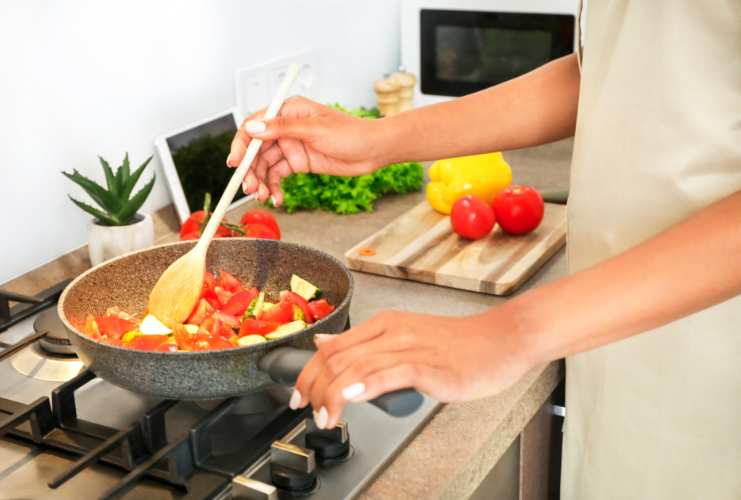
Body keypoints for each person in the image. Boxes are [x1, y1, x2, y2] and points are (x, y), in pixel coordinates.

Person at [228, 0, 741, 497]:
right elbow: (613, 72)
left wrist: (512, 331)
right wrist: (379, 140)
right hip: (610, 328)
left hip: (713, 361)